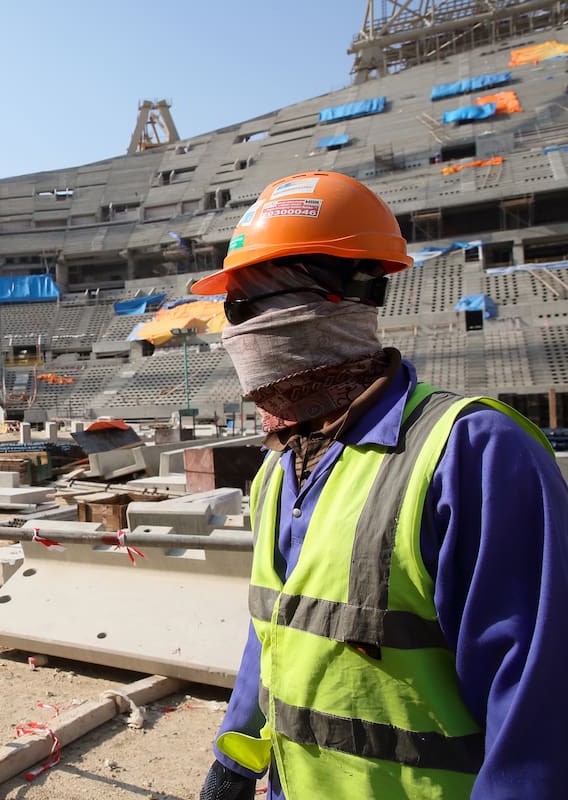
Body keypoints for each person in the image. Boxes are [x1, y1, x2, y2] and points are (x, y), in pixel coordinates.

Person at [187, 171, 568, 799]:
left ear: (349, 295)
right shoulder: (280, 468)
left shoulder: (471, 454)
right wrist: (237, 752)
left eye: (252, 303)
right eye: (232, 309)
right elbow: (277, 634)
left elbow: (537, 708)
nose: (237, 329)